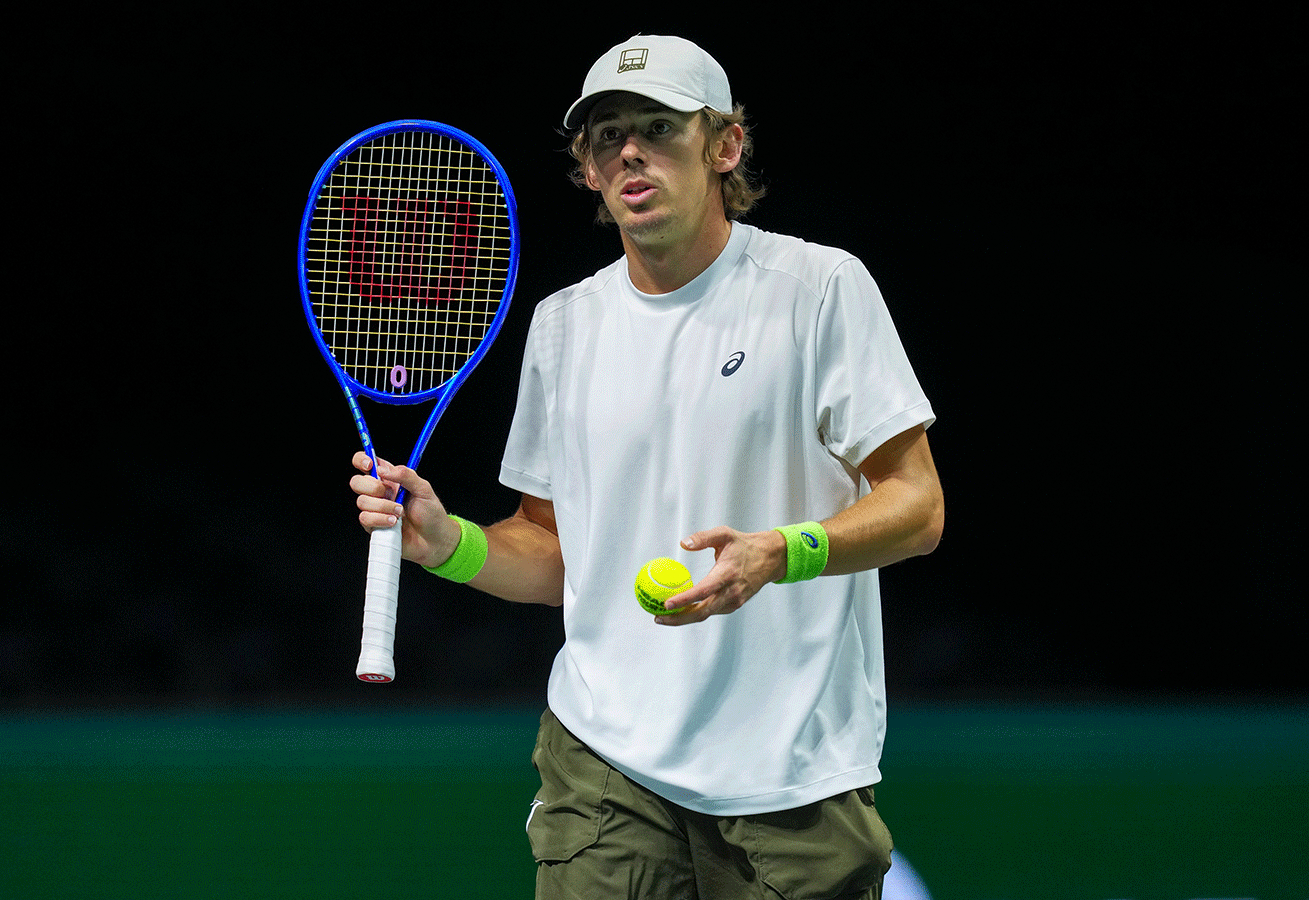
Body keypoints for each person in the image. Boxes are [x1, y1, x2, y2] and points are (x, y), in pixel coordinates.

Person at [351, 34, 944, 900]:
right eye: (604, 135)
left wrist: (785, 551)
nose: (628, 148)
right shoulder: (565, 325)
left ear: (724, 146)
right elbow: (555, 557)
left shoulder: (818, 289)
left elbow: (917, 508)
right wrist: (448, 544)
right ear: (588, 171)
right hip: (605, 768)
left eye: (658, 127)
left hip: (791, 771)